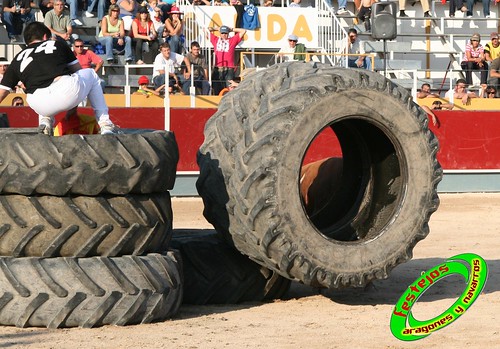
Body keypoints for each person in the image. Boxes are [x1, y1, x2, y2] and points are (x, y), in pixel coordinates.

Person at [0, 22, 120, 135]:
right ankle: (105, 124)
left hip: (38, 104)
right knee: (91, 74)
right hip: (66, 92)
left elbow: (2, 91)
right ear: (45, 36)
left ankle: (45, 123)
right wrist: (73, 108)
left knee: (38, 86)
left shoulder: (18, 58)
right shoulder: (56, 44)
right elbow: (77, 72)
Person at [206, 25, 246, 95]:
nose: (224, 35)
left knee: (230, 88)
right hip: (217, 68)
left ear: (228, 33)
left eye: (226, 33)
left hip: (229, 69)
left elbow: (243, 31)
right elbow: (206, 30)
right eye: (222, 33)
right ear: (220, 33)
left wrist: (231, 29)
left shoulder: (232, 40)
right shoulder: (215, 40)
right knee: (216, 88)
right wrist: (217, 28)